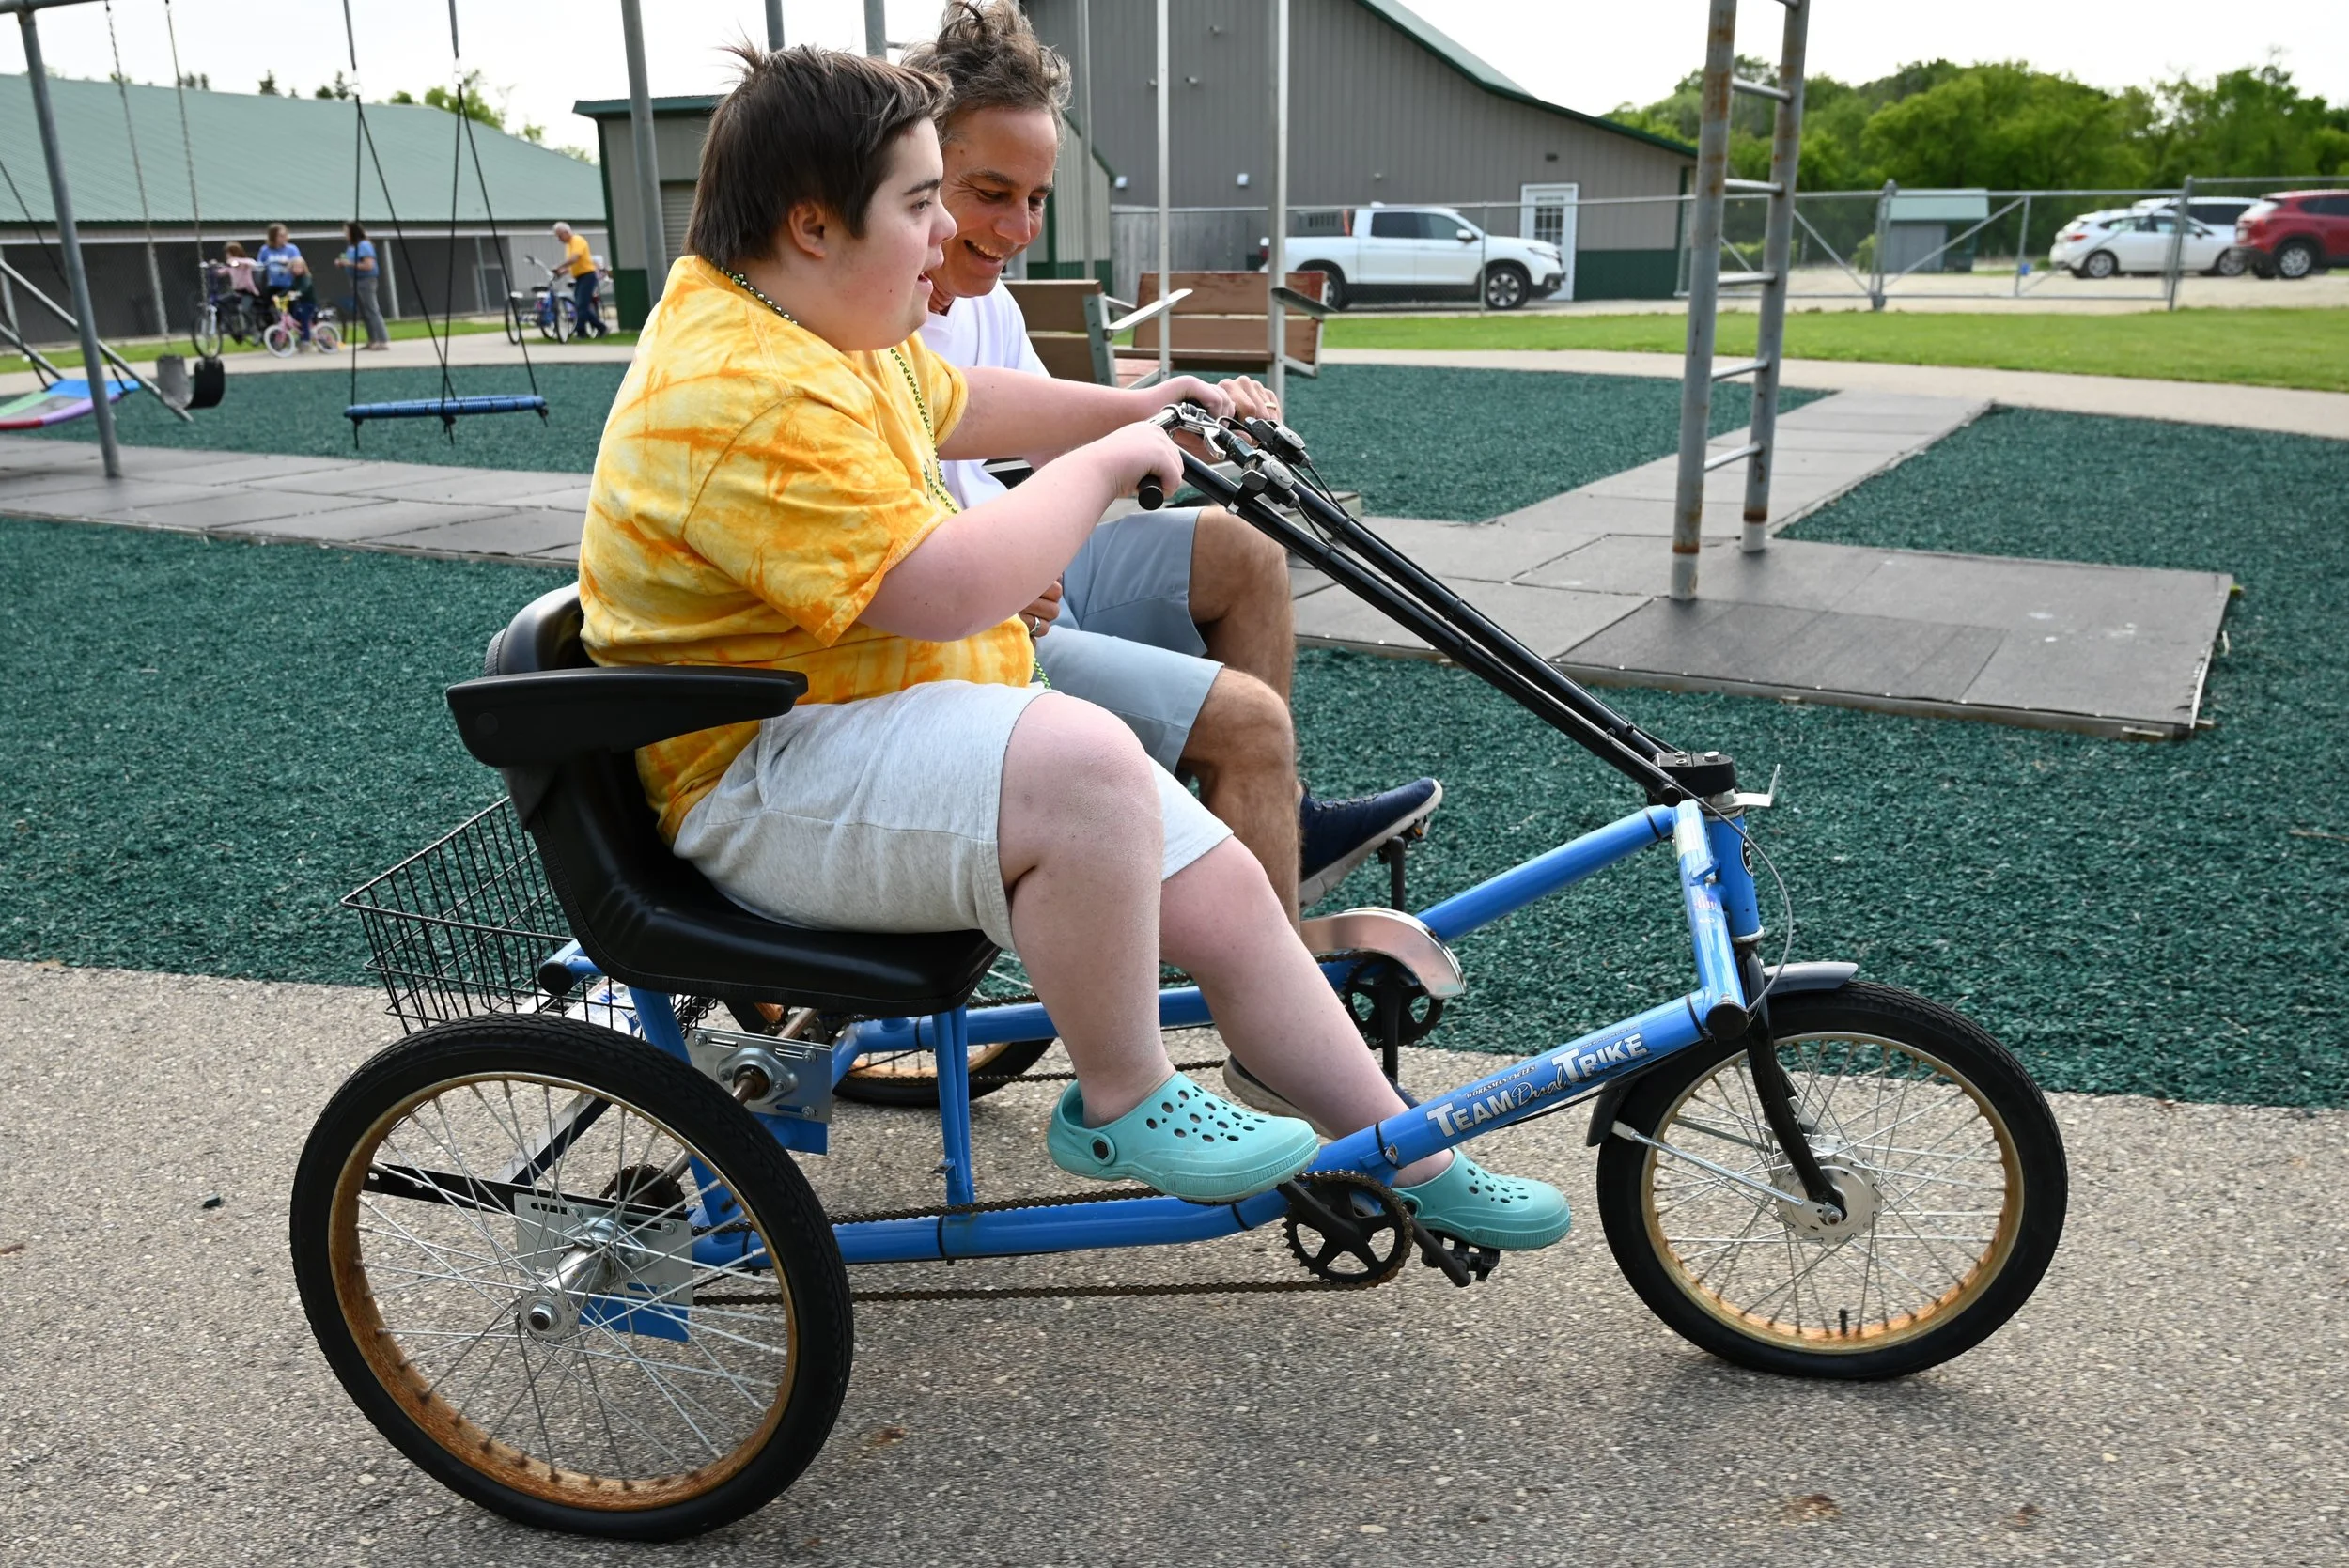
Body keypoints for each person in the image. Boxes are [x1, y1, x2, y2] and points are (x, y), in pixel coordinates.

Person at [577, 44, 1567, 1248]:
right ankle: (1120, 1099)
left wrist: (1142, 406)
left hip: (848, 727)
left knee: (1224, 886)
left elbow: (967, 406)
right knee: (1085, 760)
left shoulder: (823, 326)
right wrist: (1101, 467)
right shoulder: (745, 388)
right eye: (922, 201)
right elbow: (943, 588)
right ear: (813, 224)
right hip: (758, 776)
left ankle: (1403, 1147)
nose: (949, 232)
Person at [900, 2, 1440, 928]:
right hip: (974, 613)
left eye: (1037, 199)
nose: (1021, 228)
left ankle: (1277, 816)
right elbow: (908, 478)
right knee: (1249, 724)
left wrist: (1167, 425)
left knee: (1244, 550)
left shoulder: (989, 303)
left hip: (1024, 572)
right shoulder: (872, 314)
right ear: (914, 176)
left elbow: (1042, 434)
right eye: (990, 193)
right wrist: (997, 568)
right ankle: (1270, 968)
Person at [335, 221, 390, 349]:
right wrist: (342, 263)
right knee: (364, 312)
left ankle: (382, 340)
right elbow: (351, 262)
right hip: (354, 280)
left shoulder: (364, 245)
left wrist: (349, 263)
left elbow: (368, 265)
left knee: (372, 310)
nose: (345, 234)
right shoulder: (351, 247)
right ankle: (372, 340)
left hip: (366, 280)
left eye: (346, 231)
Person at [553, 221, 605, 337]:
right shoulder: (569, 245)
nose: (559, 239)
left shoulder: (577, 240)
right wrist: (561, 272)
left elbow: (574, 259)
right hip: (580, 277)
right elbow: (573, 265)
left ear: (566, 232)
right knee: (580, 305)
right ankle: (601, 328)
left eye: (559, 236)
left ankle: (581, 331)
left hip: (588, 276)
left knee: (581, 304)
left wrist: (559, 267)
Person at [285, 256, 319, 346]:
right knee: (296, 317)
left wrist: (298, 293)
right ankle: (302, 335)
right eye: (295, 267)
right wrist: (278, 295)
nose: (297, 269)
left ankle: (306, 339)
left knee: (304, 318)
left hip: (309, 303)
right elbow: (289, 289)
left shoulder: (306, 278)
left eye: (299, 267)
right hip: (301, 303)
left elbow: (305, 287)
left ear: (304, 268)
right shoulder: (295, 279)